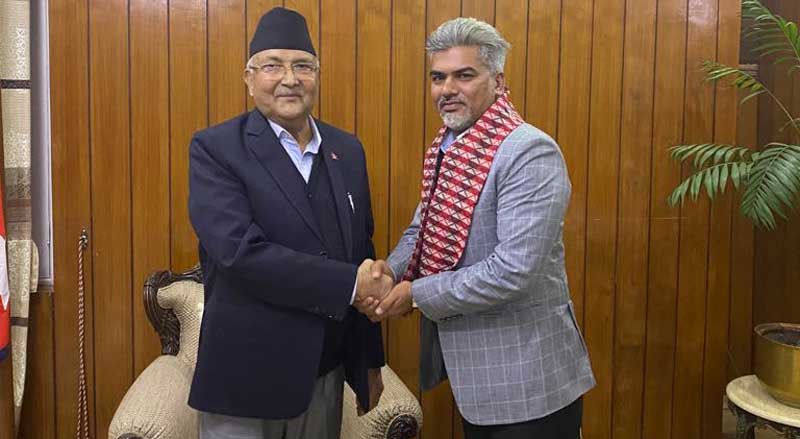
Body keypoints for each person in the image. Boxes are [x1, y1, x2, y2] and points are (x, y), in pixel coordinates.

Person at [356, 17, 595, 439]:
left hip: (529, 382)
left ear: (498, 82)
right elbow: (423, 229)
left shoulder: (528, 152)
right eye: (438, 77)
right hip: (479, 377)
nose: (447, 89)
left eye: (464, 75)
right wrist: (389, 271)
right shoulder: (450, 147)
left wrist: (415, 293)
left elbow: (513, 271)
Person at [187, 7, 391, 438]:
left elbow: (362, 250)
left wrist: (370, 361)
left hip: (325, 375)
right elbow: (240, 254)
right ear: (249, 78)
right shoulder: (216, 149)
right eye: (273, 66)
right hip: (243, 381)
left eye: (303, 66)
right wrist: (351, 285)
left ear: (317, 75)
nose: (290, 78)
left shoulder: (347, 150)